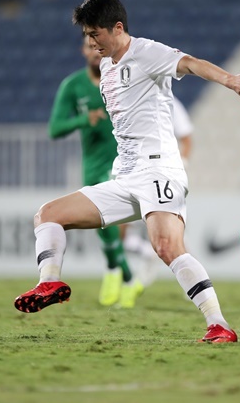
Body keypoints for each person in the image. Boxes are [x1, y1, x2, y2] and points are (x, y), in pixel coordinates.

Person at [15, 0, 240, 343]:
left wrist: (229, 80)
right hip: (125, 176)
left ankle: (218, 323)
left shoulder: (147, 52)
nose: (90, 42)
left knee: (166, 247)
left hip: (159, 170)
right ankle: (49, 282)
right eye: (86, 35)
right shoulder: (105, 67)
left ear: (117, 28)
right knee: (47, 214)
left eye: (95, 33)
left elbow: (189, 63)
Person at [48, 36, 142, 308]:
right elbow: (54, 129)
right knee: (102, 224)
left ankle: (115, 271)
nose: (93, 51)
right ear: (83, 51)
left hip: (122, 163)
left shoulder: (124, 78)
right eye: (88, 46)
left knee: (109, 221)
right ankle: (125, 274)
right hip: (92, 164)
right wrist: (83, 119)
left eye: (96, 46)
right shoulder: (73, 86)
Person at [121, 94, 194, 287]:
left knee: (171, 237)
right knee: (119, 231)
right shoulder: (130, 97)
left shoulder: (170, 103)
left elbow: (186, 137)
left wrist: (180, 165)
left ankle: (193, 282)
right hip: (135, 174)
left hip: (163, 175)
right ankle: (146, 255)